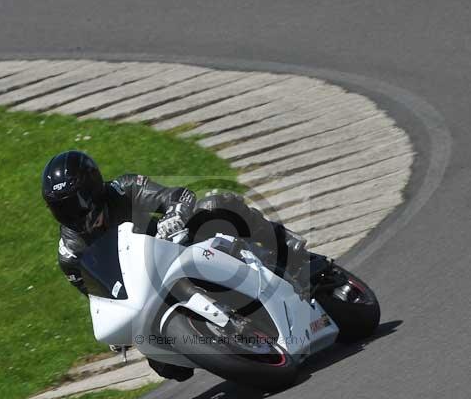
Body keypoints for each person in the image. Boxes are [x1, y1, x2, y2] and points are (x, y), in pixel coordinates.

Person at [41, 150, 309, 381]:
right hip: (146, 292)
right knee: (167, 366)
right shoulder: (70, 255)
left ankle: (284, 246)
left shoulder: (125, 188)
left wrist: (175, 214)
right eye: (61, 209)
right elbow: (97, 296)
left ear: (94, 187)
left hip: (178, 248)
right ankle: (225, 346)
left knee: (216, 204)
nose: (71, 214)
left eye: (76, 203)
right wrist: (116, 331)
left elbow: (178, 195)